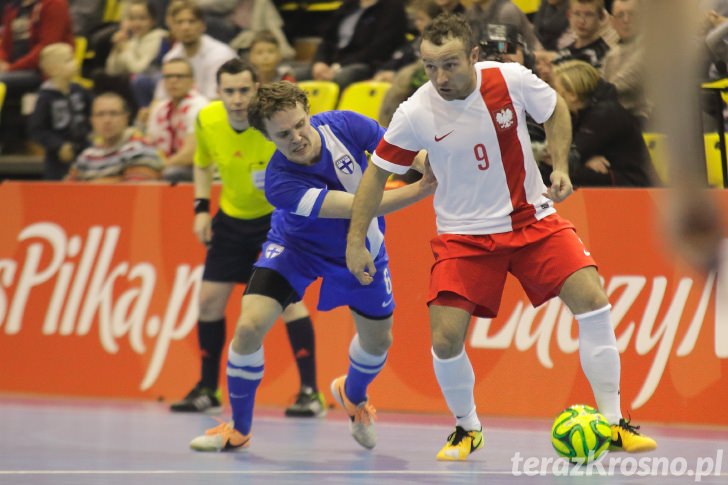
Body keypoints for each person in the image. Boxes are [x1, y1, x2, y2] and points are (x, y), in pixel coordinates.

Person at [345, 14, 657, 461]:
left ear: (473, 56)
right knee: (445, 340)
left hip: (531, 218)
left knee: (593, 299)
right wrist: (356, 240)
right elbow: (377, 174)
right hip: (464, 236)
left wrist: (563, 165)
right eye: (430, 66)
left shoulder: (510, 79)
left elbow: (556, 110)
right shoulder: (415, 110)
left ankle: (613, 422)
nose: (440, 77)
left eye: (449, 64)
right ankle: (466, 428)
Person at [188, 80, 436, 451]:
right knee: (248, 326)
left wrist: (428, 164)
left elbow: (401, 152)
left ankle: (353, 395)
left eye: (301, 124)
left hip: (364, 247)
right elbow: (358, 205)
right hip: (295, 248)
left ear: (308, 112)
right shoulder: (279, 182)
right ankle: (238, 429)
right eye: (283, 134)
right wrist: (425, 187)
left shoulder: (347, 124)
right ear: (267, 136)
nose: (297, 138)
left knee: (378, 342)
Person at [169, 59, 325, 418]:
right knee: (208, 302)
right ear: (218, 92)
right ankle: (208, 389)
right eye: (229, 91)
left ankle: (310, 393)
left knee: (288, 305)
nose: (237, 99)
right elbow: (202, 162)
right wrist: (200, 208)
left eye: (244, 90)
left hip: (276, 223)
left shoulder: (273, 127)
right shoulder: (207, 120)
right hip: (231, 221)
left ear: (256, 89)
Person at [551, 59, 654, 187]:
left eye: (556, 90)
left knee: (554, 175)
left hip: (630, 183)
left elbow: (569, 157)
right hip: (613, 176)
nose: (552, 95)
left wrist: (579, 161)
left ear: (572, 95)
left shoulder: (604, 114)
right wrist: (585, 160)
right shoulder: (579, 113)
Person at [0, 0, 75, 154]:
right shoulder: (14, 7)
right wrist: (2, 61)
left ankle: (16, 143)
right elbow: (4, 45)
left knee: (3, 81)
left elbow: (47, 47)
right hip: (14, 70)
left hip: (43, 71)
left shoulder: (54, 4)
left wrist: (11, 68)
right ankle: (11, 143)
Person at [28, 42, 93, 180]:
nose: (75, 62)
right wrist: (58, 146)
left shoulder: (79, 90)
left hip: (85, 148)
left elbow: (93, 111)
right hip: (58, 157)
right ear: (53, 69)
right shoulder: (45, 97)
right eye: (69, 60)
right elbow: (36, 129)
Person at [68, 91, 164, 182]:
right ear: (92, 120)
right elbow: (66, 191)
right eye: (100, 114)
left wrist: (89, 185)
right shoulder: (86, 157)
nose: (107, 120)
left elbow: (133, 192)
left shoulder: (141, 149)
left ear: (126, 118)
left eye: (113, 113)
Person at [156, 0, 237, 100]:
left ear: (203, 25)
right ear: (171, 28)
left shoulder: (221, 55)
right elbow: (160, 99)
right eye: (179, 22)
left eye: (191, 21)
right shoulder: (171, 57)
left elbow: (215, 101)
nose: (185, 27)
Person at [145, 57, 208, 183]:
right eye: (168, 77)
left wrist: (159, 168)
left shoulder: (200, 106)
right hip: (165, 165)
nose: (173, 81)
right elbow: (149, 144)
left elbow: (190, 155)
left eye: (180, 76)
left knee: (171, 173)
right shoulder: (159, 108)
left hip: (196, 169)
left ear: (192, 81)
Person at [601, 0, 649, 126]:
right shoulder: (611, 53)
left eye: (632, 14)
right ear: (612, 22)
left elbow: (614, 87)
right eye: (620, 15)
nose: (626, 20)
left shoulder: (649, 49)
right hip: (615, 119)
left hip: (643, 120)